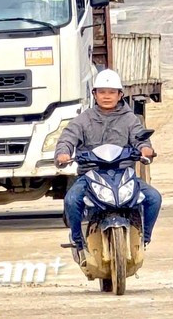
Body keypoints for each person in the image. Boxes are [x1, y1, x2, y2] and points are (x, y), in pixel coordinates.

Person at [54, 70, 162, 255]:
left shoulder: (130, 119)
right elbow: (67, 137)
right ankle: (77, 240)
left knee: (154, 198)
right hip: (90, 174)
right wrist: (63, 153)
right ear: (94, 94)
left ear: (120, 95)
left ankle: (144, 238)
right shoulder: (83, 119)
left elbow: (140, 139)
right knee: (71, 201)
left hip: (123, 173)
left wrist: (145, 149)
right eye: (102, 92)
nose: (106, 96)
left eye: (111, 92)